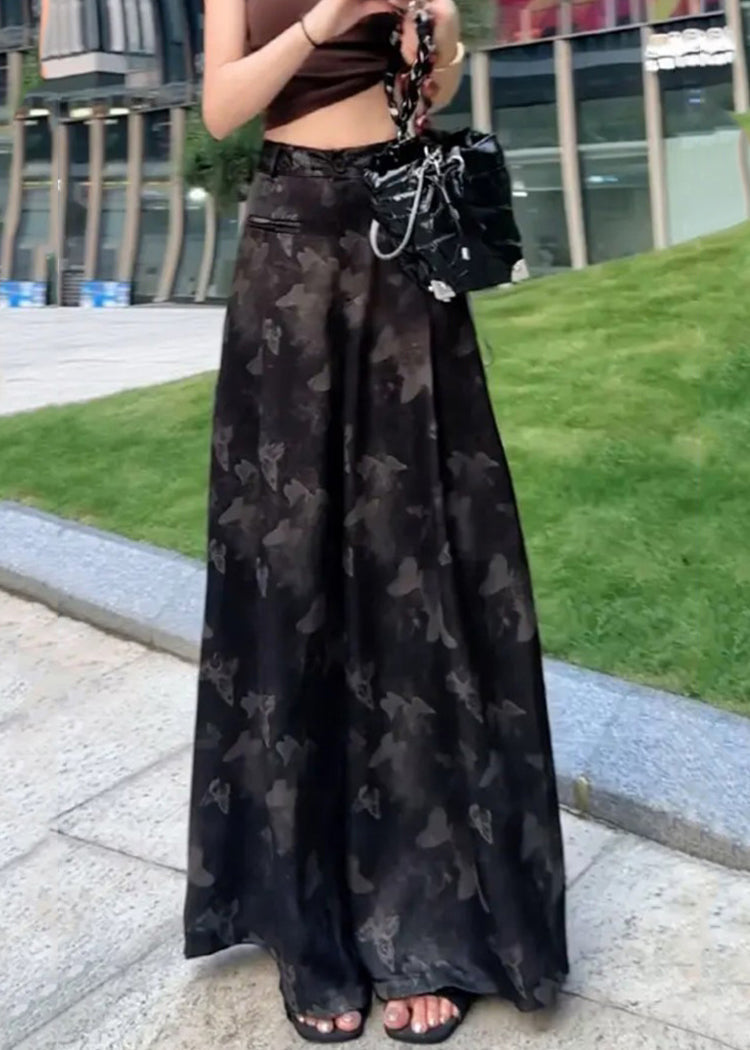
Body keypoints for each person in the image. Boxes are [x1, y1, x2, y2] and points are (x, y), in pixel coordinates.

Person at [183, 0, 569, 1043]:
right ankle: (304, 924)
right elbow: (223, 107)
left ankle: (429, 922)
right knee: (292, 573)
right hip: (291, 240)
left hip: (404, 235)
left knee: (419, 563)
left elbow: (436, 83)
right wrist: (329, 19)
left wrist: (437, 39)